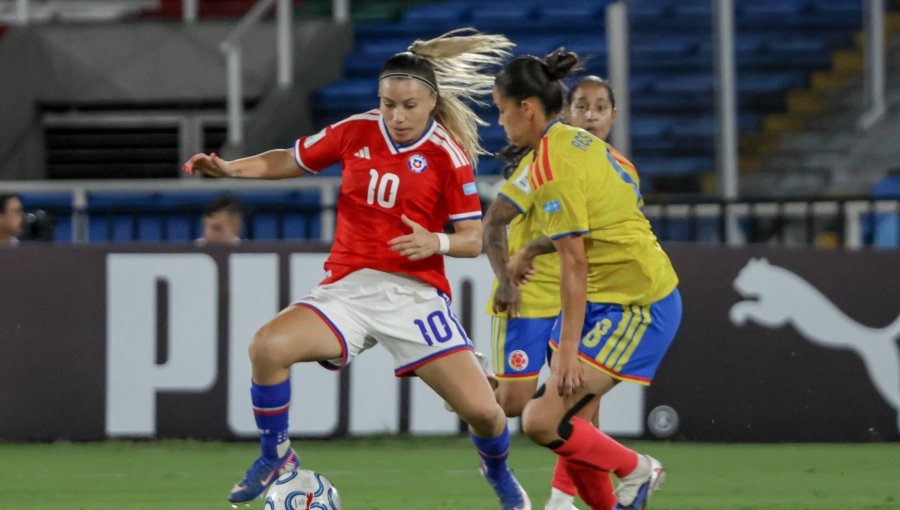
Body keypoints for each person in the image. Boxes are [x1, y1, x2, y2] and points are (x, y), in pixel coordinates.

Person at [184, 29, 532, 510]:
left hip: (414, 297)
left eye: (409, 105)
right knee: (267, 346)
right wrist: (231, 169)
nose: (397, 115)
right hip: (347, 290)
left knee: (485, 414)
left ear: (432, 100)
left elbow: (474, 239)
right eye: (388, 104)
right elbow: (291, 159)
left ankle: (496, 469)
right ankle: (277, 456)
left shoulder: (447, 156)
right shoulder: (357, 131)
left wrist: (435, 240)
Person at [493, 50, 681, 510]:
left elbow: (575, 263)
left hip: (637, 305)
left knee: (541, 421)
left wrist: (570, 352)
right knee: (571, 425)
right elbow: (599, 220)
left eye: (501, 111)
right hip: (605, 297)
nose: (500, 123)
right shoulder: (579, 147)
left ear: (527, 109)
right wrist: (532, 250)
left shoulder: (554, 166)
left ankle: (637, 468)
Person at [484, 75, 629, 510]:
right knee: (513, 405)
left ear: (613, 117)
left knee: (581, 411)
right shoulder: (542, 164)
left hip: (582, 296)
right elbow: (496, 222)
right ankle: (468, 384)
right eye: (582, 106)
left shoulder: (612, 166)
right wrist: (511, 276)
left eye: (600, 107)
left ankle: (562, 499)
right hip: (534, 295)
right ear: (567, 113)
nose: (591, 115)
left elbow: (598, 233)